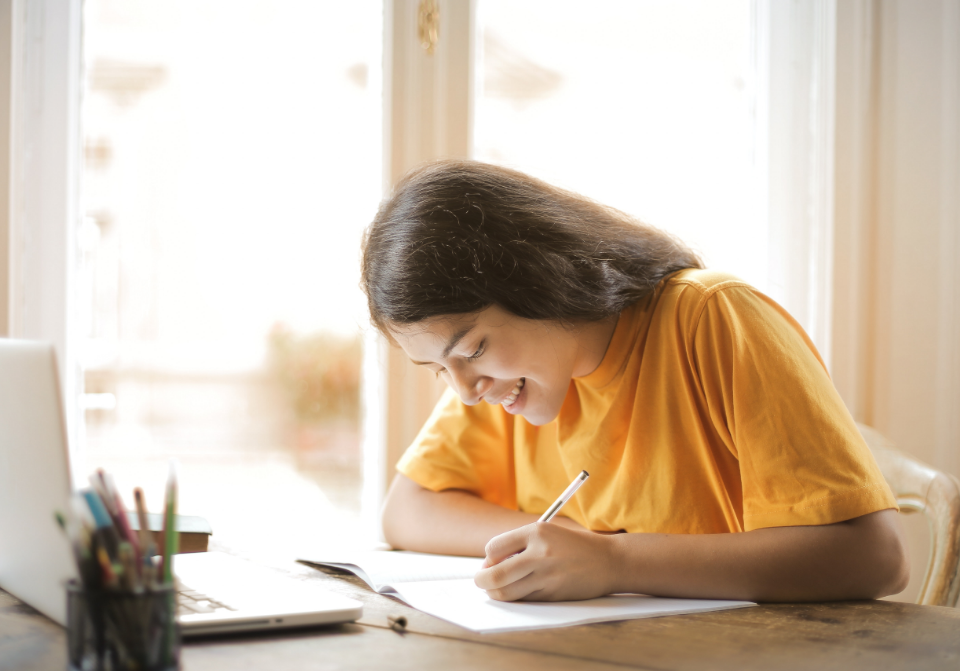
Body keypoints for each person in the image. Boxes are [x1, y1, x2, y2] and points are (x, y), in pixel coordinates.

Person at [360, 160, 908, 604]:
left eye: (473, 349)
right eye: (439, 369)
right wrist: (560, 544)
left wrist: (614, 562)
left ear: (542, 281)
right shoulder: (503, 380)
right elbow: (407, 510)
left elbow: (876, 557)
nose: (464, 390)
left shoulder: (713, 318)